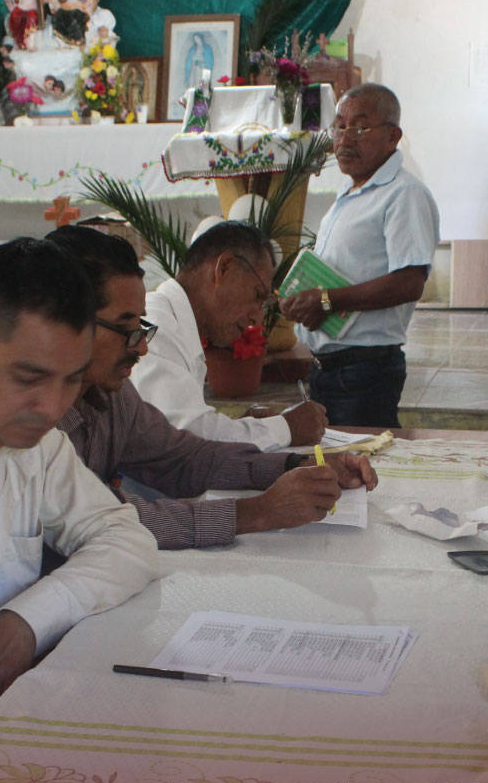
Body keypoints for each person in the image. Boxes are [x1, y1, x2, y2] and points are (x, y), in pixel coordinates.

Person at [0, 238, 158, 739]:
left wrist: (24, 622)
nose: (52, 407)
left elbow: (126, 540)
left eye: (71, 380)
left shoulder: (36, 448)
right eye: (28, 378)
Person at [48, 226, 377, 548]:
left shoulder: (112, 396)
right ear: (68, 324)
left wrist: (296, 465)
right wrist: (259, 512)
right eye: (125, 328)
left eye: (141, 326)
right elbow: (109, 520)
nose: (142, 347)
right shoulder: (39, 424)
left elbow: (182, 457)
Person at [280, 83, 439, 427]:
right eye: (339, 127)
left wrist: (325, 300)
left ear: (393, 136)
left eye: (360, 128)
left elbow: (409, 283)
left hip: (364, 371)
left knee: (362, 457)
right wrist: (302, 300)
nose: (344, 139)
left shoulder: (403, 194)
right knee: (332, 456)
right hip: (328, 368)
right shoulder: (351, 190)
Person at [131, 221, 326, 450]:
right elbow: (187, 439)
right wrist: (286, 428)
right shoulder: (156, 325)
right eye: (257, 295)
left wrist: (243, 426)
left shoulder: (175, 324)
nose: (257, 319)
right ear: (224, 268)